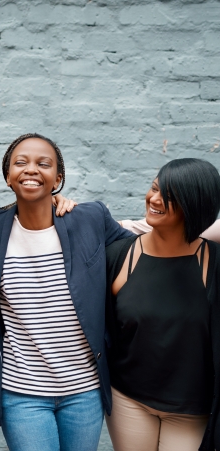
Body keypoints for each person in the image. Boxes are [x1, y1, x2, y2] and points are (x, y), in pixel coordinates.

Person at [0, 133, 134, 451]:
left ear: (58, 178)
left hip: (84, 391)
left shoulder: (88, 219)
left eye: (43, 164)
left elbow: (141, 245)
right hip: (22, 393)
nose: (31, 169)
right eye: (21, 163)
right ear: (8, 176)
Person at [105, 158, 220, 451]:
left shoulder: (214, 261)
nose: (155, 199)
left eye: (170, 197)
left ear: (194, 205)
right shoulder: (120, 255)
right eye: (155, 188)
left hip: (192, 409)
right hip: (128, 400)